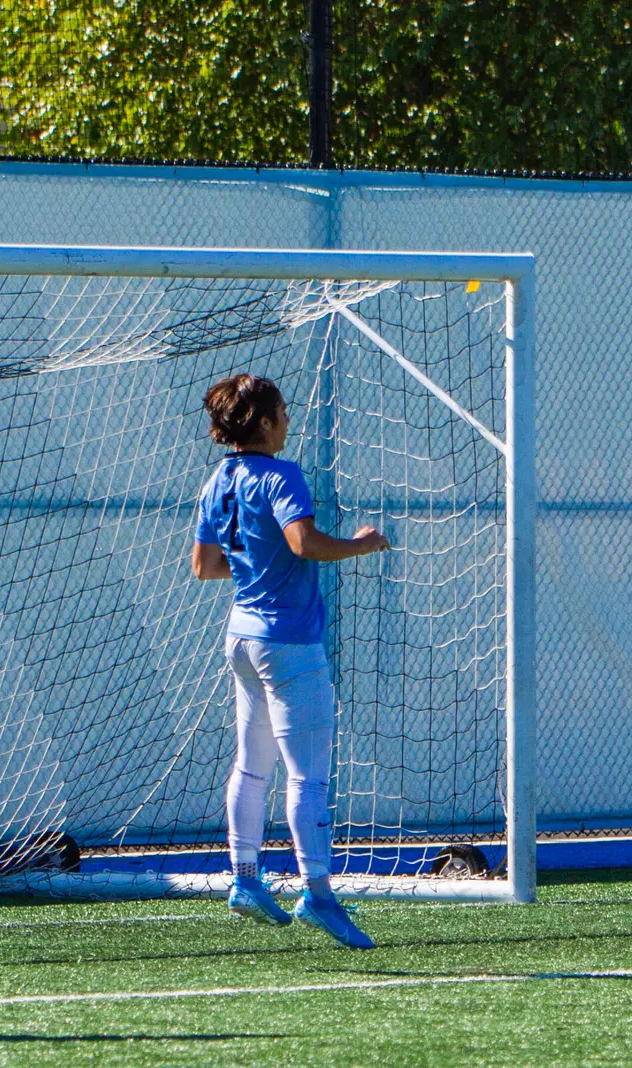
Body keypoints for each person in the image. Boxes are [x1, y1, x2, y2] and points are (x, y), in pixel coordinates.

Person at [191, 374, 390, 949]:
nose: (288, 420)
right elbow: (303, 543)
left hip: (242, 638)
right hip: (288, 643)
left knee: (251, 764)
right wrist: (362, 543)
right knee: (307, 772)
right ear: (263, 422)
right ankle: (319, 894)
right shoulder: (281, 475)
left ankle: (246, 879)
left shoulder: (219, 478)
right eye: (282, 411)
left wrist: (259, 564)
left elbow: (205, 565)